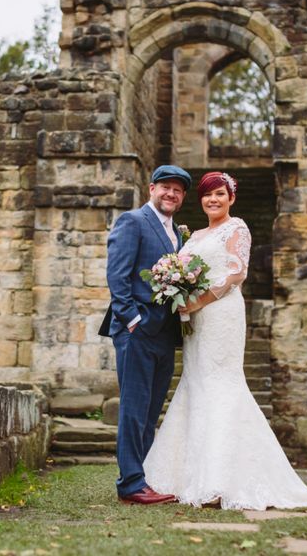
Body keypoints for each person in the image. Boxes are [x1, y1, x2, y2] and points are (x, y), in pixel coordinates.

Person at [143, 171, 307, 510]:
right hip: (195, 317)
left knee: (222, 383)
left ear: (231, 198)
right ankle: (183, 476)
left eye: (220, 195)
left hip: (221, 312)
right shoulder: (194, 235)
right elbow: (186, 272)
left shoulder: (237, 227)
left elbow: (236, 272)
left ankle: (220, 479)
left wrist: (198, 300)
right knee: (195, 382)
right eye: (208, 195)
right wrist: (179, 292)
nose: (213, 200)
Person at [99, 164, 192, 505]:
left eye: (178, 190)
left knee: (152, 409)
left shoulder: (177, 234)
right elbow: (118, 275)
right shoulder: (133, 221)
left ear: (182, 198)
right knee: (134, 409)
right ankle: (131, 484)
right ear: (151, 189)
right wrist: (132, 319)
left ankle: (145, 474)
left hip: (165, 333)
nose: (171, 193)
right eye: (165, 187)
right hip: (136, 331)